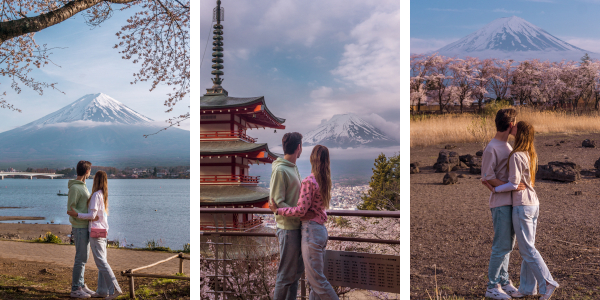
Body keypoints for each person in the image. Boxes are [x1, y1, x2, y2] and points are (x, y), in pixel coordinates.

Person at [483, 121, 559, 300]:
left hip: (522, 205)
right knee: (528, 247)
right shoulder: (530, 153)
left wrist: (494, 188)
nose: (513, 126)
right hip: (533, 203)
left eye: (516, 126)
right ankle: (526, 288)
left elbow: (514, 184)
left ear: (519, 132)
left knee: (527, 250)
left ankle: (547, 282)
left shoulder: (516, 154)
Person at [270, 145, 339, 300]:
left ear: (311, 159)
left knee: (317, 281)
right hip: (321, 231)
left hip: (311, 233)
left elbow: (301, 210)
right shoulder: (325, 180)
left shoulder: (309, 181)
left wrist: (278, 210)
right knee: (315, 282)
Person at [480, 108, 526, 300]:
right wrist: (512, 187)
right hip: (500, 203)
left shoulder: (508, 146)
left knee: (509, 244)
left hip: (511, 201)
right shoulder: (492, 148)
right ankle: (492, 286)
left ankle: (504, 281)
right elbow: (487, 177)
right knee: (501, 245)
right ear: (510, 125)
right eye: (515, 122)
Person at [68, 171, 123, 300]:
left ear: (95, 180)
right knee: (102, 261)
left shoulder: (95, 195)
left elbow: (92, 216)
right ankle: (103, 290)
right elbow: (100, 216)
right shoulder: (103, 195)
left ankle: (115, 289)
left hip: (95, 233)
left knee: (101, 263)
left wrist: (77, 215)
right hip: (103, 232)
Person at [271, 132, 304, 300]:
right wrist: (301, 213)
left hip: (297, 227)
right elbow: (277, 202)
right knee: (285, 276)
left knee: (295, 275)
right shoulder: (281, 170)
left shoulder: (292, 167)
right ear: (299, 147)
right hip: (287, 229)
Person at [68, 160, 95, 298]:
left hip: (85, 226)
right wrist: (80, 217)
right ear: (86, 171)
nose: (90, 173)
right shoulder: (75, 188)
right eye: (90, 171)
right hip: (79, 227)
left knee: (84, 257)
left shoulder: (83, 186)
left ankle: (81, 285)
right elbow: (70, 209)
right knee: (80, 258)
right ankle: (75, 289)